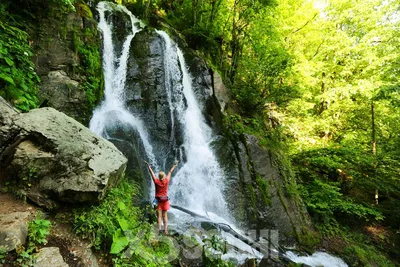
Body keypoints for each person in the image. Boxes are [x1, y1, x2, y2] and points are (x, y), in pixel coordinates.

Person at [145, 160, 179, 235]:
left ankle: (159, 230)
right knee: (165, 216)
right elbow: (170, 172)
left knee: (159, 217)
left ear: (159, 177)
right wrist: (174, 165)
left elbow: (152, 174)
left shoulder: (156, 181)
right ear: (164, 177)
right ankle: (166, 230)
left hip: (158, 201)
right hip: (165, 201)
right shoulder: (166, 181)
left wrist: (149, 167)